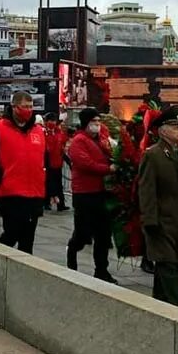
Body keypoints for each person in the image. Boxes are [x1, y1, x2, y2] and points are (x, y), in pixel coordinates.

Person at [138, 107, 178, 309]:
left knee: (169, 262)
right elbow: (146, 190)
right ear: (162, 131)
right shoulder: (153, 155)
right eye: (175, 127)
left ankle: (161, 302)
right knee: (168, 262)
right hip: (162, 218)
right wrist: (149, 219)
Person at [0, 92, 46, 254]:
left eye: (31, 107)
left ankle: (25, 271)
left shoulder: (38, 131)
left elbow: (45, 159)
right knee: (12, 233)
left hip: (35, 191)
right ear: (14, 107)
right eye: (25, 107)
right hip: (10, 191)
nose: (28, 110)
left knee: (28, 238)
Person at [66, 108, 118, 282]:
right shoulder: (79, 141)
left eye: (98, 121)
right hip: (84, 193)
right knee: (83, 233)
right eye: (93, 121)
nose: (97, 124)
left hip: (102, 192)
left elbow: (111, 154)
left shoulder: (102, 140)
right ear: (85, 123)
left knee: (103, 234)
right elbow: (84, 163)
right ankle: (72, 252)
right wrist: (107, 169)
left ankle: (101, 269)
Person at [44, 112, 69, 212]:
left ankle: (61, 204)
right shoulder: (43, 133)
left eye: (54, 120)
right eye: (51, 120)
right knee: (47, 183)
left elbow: (62, 148)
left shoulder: (59, 133)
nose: (53, 122)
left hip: (58, 163)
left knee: (58, 184)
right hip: (47, 163)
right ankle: (46, 203)